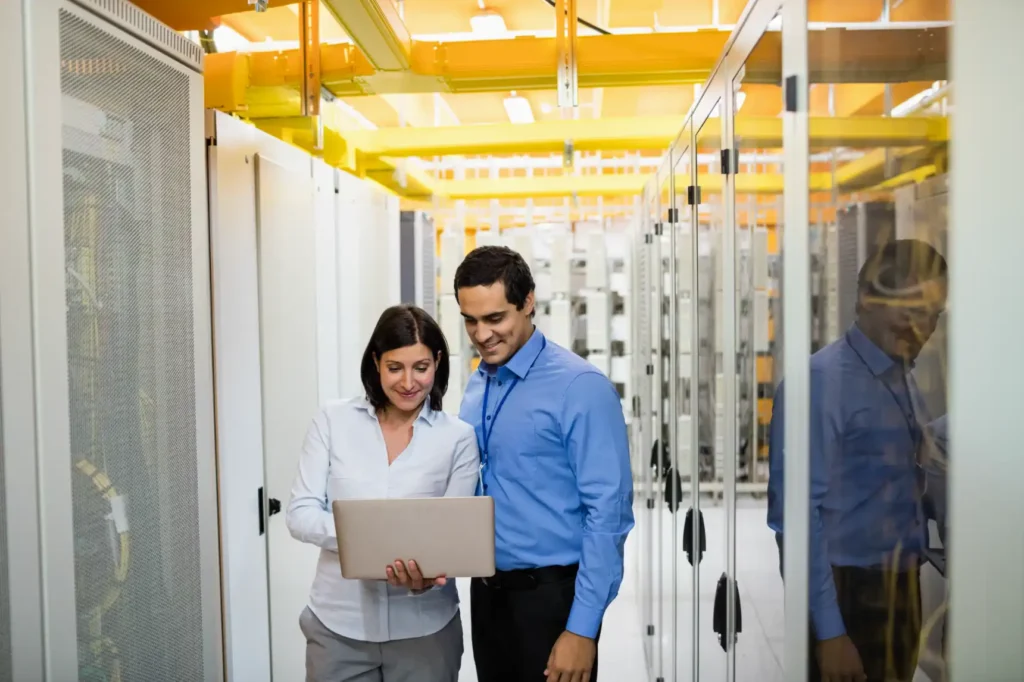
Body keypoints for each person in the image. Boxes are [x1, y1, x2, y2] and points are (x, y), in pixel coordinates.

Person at [768, 239, 948, 682]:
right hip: (847, 595)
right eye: (910, 310)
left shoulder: (899, 374)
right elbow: (796, 519)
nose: (922, 327)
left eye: (933, 313)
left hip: (899, 588)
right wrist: (830, 633)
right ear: (867, 299)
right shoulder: (821, 383)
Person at [454, 246, 635, 682]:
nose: (481, 334)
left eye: (495, 318)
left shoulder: (580, 388)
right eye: (470, 321)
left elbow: (608, 515)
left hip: (553, 600)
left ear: (528, 301)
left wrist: (582, 629)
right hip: (488, 598)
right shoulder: (478, 384)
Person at [285, 305, 480, 682]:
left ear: (438, 362)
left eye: (420, 367)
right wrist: (370, 540)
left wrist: (426, 568)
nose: (408, 382)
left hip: (425, 631)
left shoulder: (457, 438)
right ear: (376, 362)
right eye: (395, 368)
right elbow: (301, 513)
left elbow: (453, 535)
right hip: (338, 627)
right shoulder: (333, 421)